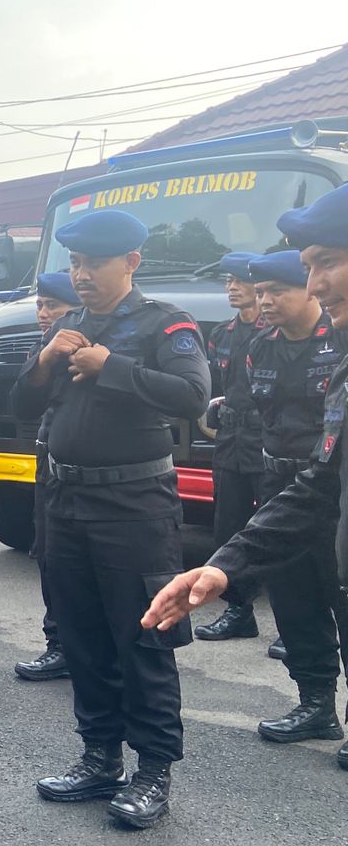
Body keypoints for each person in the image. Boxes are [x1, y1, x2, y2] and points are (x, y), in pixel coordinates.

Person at [11, 209, 209, 830]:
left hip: (134, 505)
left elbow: (192, 396)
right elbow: (23, 403)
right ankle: (99, 756)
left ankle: (153, 770)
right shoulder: (69, 325)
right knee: (82, 634)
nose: (82, 275)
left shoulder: (165, 323)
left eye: (94, 263)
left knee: (144, 636)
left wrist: (111, 367)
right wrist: (45, 360)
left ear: (131, 262)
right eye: (75, 263)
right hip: (66, 502)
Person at [144, 181, 348, 775]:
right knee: (298, 607)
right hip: (290, 490)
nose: (315, 284)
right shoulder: (267, 348)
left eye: (326, 263)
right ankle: (316, 703)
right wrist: (223, 565)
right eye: (308, 268)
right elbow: (323, 478)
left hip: (314, 500)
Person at [236, 249, 348, 742]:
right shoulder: (259, 346)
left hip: (331, 491)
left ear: (307, 290)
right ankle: (316, 704)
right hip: (279, 484)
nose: (265, 301)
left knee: (341, 597)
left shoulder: (338, 340)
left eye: (277, 291)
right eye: (261, 292)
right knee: (292, 597)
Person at [195, 253, 272, 645]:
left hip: (267, 441)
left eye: (240, 280)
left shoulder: (274, 332)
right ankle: (239, 611)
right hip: (230, 442)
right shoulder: (221, 335)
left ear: (259, 286)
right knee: (228, 528)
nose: (231, 287)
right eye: (228, 280)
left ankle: (294, 622)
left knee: (275, 529)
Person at [14, 272, 82, 683]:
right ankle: (58, 644)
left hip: (86, 467)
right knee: (48, 554)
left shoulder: (85, 344)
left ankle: (83, 647)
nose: (43, 313)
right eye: (40, 305)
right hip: (47, 459)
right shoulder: (44, 346)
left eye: (53, 305)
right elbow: (21, 402)